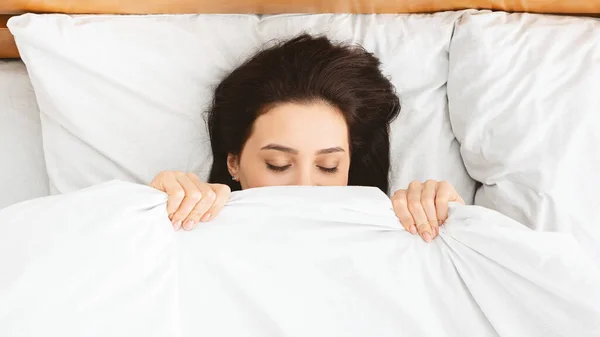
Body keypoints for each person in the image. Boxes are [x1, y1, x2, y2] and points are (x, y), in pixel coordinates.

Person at [150, 34, 465, 243]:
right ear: (234, 162)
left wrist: (451, 223)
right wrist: (145, 214)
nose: (304, 187)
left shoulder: (394, 236)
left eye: (328, 166)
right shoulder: (185, 235)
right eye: (278, 164)